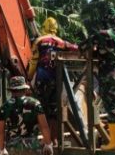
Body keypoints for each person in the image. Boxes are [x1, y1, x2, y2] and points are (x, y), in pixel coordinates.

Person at [79, 8, 115, 152]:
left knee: (111, 108)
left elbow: (83, 46)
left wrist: (93, 51)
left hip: (110, 74)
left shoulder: (103, 34)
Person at [28, 17, 78, 145]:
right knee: (55, 110)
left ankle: (45, 140)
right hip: (56, 80)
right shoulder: (60, 42)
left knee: (41, 109)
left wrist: (29, 77)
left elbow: (34, 61)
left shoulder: (39, 41)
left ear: (44, 27)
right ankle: (54, 139)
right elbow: (74, 48)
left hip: (42, 79)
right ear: (56, 28)